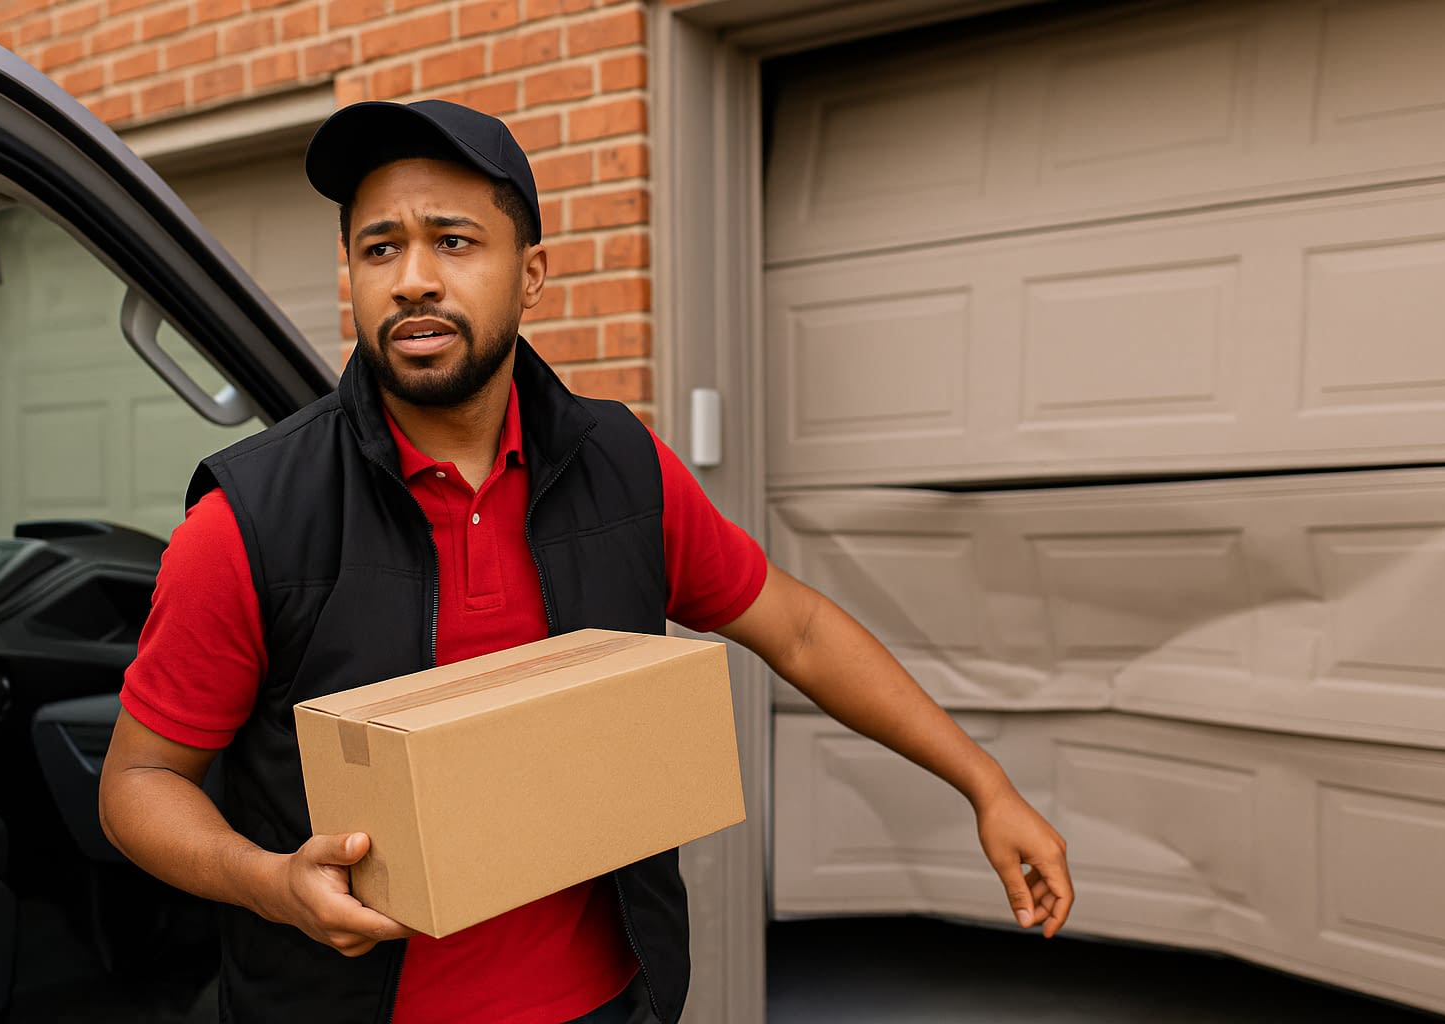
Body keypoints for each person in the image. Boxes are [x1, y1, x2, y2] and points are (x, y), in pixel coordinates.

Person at [99, 100, 1073, 1024]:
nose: (412, 279)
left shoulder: (623, 467)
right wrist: (268, 883)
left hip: (613, 1002)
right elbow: (139, 781)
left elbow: (802, 630)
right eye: (379, 247)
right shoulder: (253, 518)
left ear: (530, 273)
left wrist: (983, 782)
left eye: (453, 240)